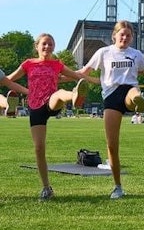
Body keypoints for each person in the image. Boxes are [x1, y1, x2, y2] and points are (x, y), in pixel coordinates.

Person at [78, 20, 144, 199]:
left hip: (129, 89)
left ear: (132, 38)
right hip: (111, 96)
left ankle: (138, 101)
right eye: (122, 34)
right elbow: (83, 72)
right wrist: (60, 76)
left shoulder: (136, 55)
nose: (125, 37)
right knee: (112, 145)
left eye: (128, 35)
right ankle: (117, 186)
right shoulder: (104, 53)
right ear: (114, 35)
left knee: (134, 93)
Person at [4, 33, 95, 200]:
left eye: (51, 44)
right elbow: (8, 80)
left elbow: (77, 75)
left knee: (59, 94)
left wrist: (98, 80)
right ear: (37, 46)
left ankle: (75, 97)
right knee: (39, 148)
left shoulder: (57, 64)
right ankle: (46, 188)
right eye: (44, 44)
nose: (47, 47)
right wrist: (23, 91)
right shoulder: (28, 64)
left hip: (51, 102)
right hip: (35, 106)